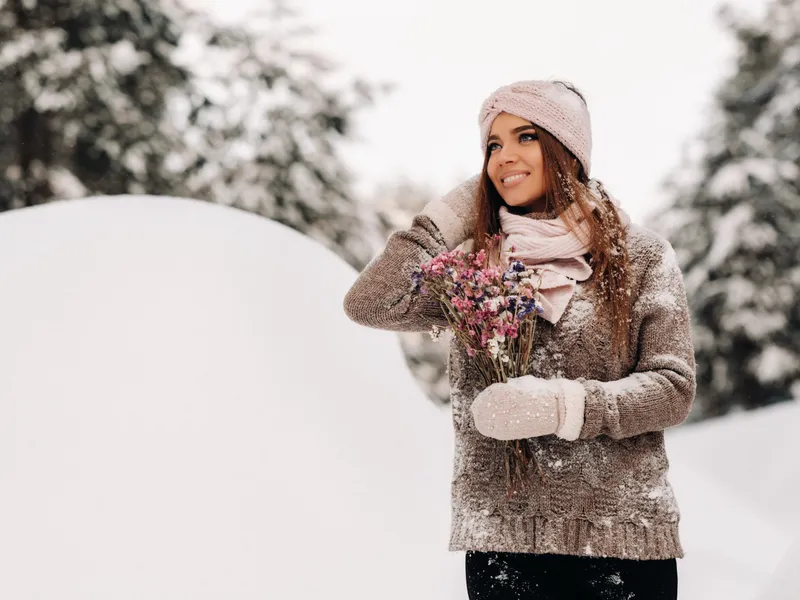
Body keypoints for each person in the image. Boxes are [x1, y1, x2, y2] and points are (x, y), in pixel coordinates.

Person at [343, 79, 696, 600]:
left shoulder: (637, 257)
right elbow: (371, 301)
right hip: (502, 545)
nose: (503, 156)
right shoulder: (471, 269)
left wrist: (565, 406)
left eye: (525, 137)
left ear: (566, 149)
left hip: (621, 541)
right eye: (492, 145)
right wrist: (450, 214)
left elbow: (672, 388)